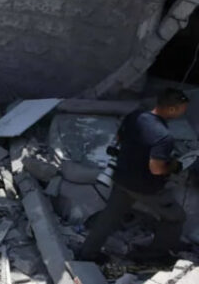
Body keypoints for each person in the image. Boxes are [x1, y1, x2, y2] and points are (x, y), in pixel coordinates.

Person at [77, 88, 189, 263]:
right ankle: (155, 256)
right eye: (182, 109)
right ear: (172, 109)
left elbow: (119, 138)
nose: (183, 112)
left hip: (121, 178)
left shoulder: (135, 116)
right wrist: (173, 166)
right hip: (146, 188)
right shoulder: (164, 136)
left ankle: (87, 253)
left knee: (109, 217)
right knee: (176, 217)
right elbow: (156, 169)